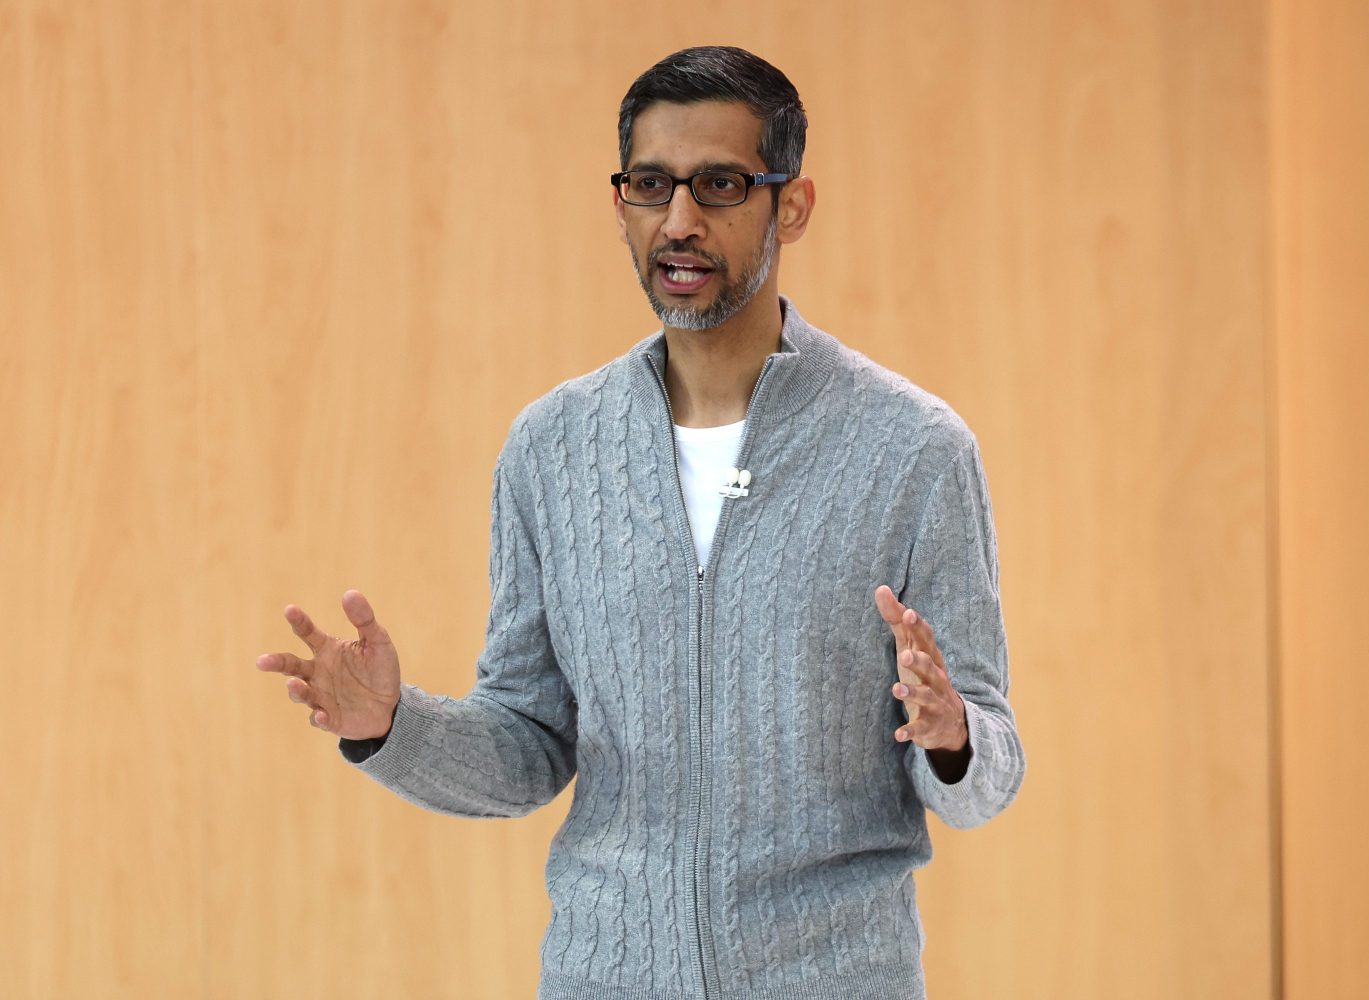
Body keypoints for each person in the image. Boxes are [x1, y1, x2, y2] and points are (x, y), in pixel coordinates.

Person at [256, 45, 1024, 1000]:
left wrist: (952, 736)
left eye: (720, 184)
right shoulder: (551, 449)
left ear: (791, 204)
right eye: (652, 186)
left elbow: (991, 766)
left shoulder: (913, 449)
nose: (681, 222)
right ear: (620, 202)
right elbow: (529, 743)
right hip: (603, 976)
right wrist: (390, 727)